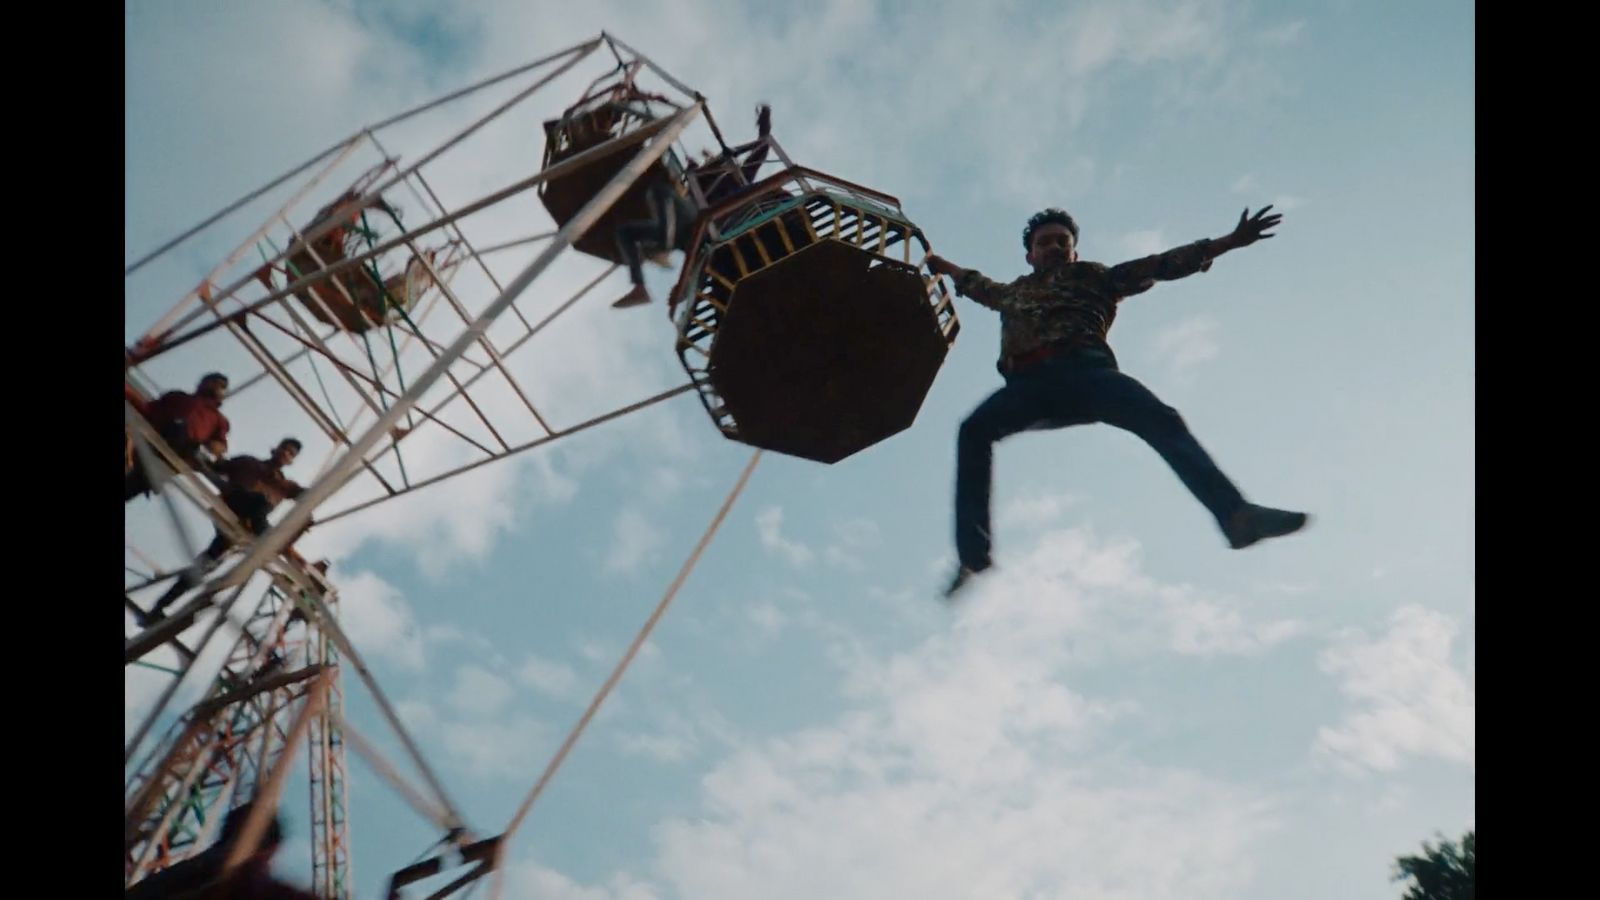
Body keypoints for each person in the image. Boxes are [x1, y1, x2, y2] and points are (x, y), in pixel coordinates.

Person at [926, 205, 1310, 598]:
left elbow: (1159, 264)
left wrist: (1227, 242)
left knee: (1162, 419)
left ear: (1073, 252)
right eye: (1045, 243)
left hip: (1087, 375)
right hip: (1030, 386)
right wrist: (938, 263)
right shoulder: (1012, 293)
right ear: (1030, 254)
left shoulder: (1095, 277)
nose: (1055, 247)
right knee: (973, 431)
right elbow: (973, 282)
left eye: (1063, 242)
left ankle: (1236, 516)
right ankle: (973, 556)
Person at [611, 104, 774, 309]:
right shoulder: (692, 192)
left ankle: (665, 243)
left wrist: (764, 123)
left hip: (711, 228)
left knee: (661, 192)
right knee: (626, 232)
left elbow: (761, 149)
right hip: (692, 232)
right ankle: (640, 287)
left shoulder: (734, 177)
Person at [139, 438, 307, 625]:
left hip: (242, 528)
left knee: (204, 566)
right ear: (275, 448)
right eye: (285, 449)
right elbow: (216, 466)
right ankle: (263, 535)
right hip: (234, 504)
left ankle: (159, 608)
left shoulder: (285, 486)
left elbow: (308, 495)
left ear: (291, 461)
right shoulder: (248, 463)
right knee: (261, 504)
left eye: (291, 453)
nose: (286, 454)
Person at [126, 373, 231, 502]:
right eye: (214, 382)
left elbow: (220, 446)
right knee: (178, 426)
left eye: (221, 386)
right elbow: (149, 410)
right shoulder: (178, 397)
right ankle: (151, 473)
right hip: (160, 440)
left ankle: (151, 474)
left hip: (183, 452)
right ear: (202, 383)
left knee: (134, 484)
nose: (216, 386)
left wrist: (215, 448)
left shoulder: (219, 420)